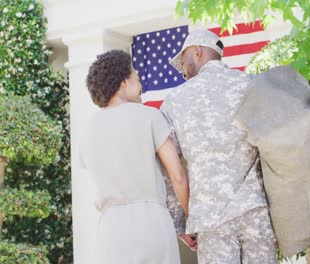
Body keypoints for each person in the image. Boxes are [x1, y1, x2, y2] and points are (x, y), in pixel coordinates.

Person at [161, 29, 278, 264]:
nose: (183, 71)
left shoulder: (175, 100)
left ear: (197, 52)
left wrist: (181, 222)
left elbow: (171, 169)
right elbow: (275, 143)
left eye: (183, 61)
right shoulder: (250, 84)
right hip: (255, 208)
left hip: (210, 218)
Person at [78, 50, 189, 264]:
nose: (141, 87)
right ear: (123, 82)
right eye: (137, 79)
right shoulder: (150, 116)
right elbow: (178, 177)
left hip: (111, 231)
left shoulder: (88, 129)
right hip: (152, 223)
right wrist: (190, 219)